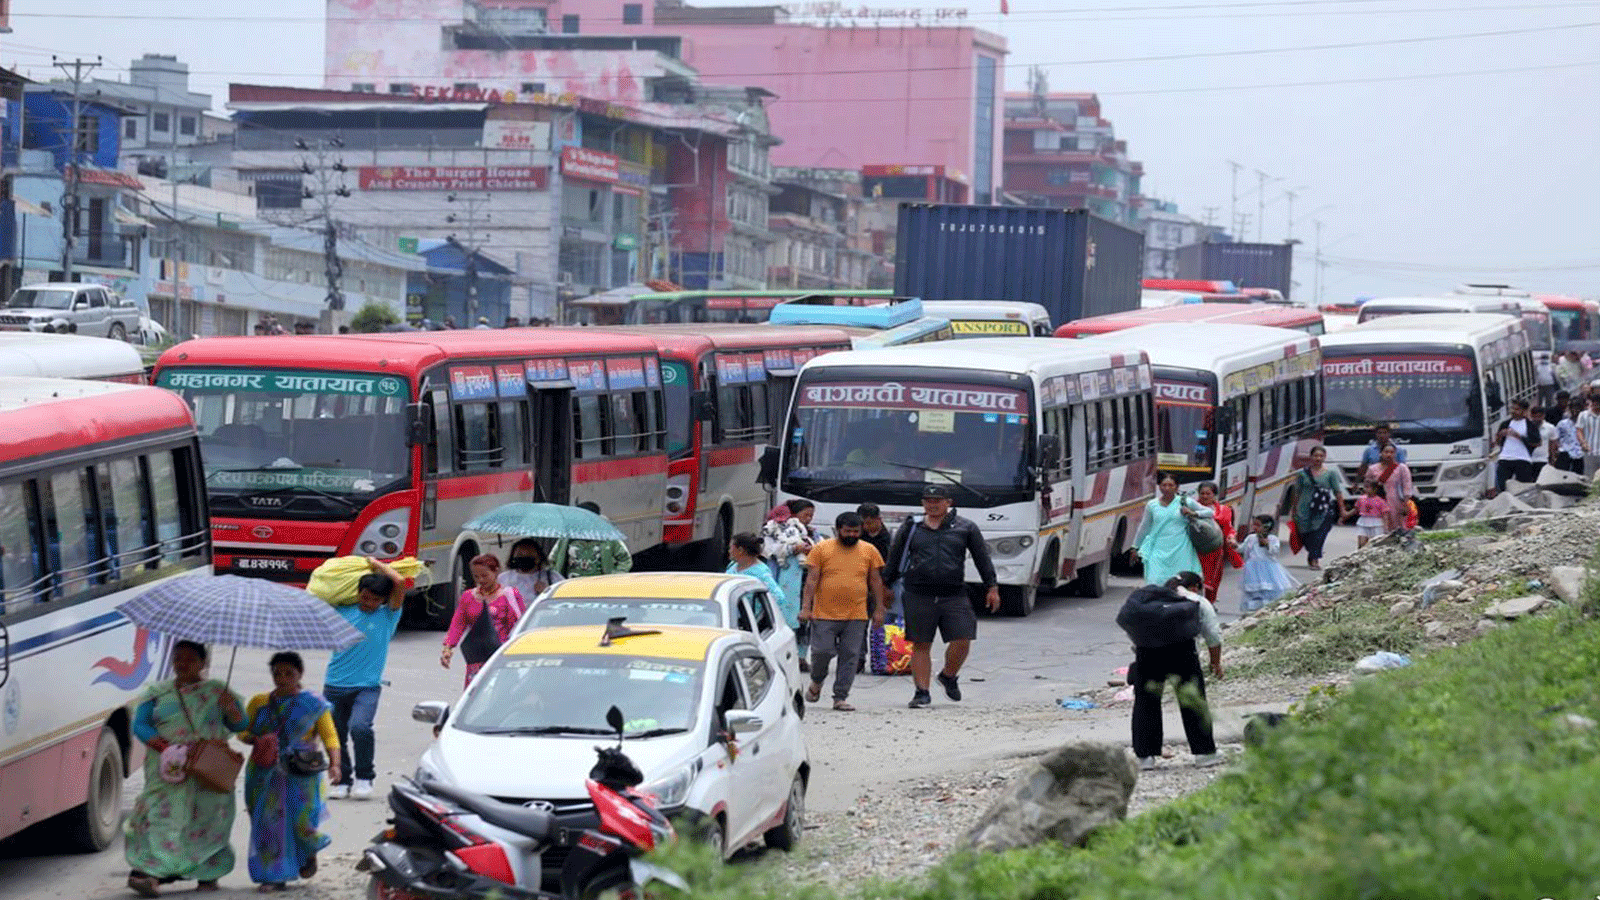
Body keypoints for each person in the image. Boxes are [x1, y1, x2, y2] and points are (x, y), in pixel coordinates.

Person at [125, 640, 247, 897]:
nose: (183, 664)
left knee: (208, 819)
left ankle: (208, 872)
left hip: (208, 768)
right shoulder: (157, 692)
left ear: (203, 663)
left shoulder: (217, 691)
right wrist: (167, 748)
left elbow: (240, 725)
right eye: (178, 658)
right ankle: (152, 872)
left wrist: (230, 707)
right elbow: (141, 725)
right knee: (158, 815)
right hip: (168, 768)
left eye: (190, 659)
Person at [884, 485, 999, 709]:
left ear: (949, 502)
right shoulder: (912, 527)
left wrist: (992, 587)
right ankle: (922, 692)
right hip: (918, 593)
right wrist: (886, 586)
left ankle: (948, 675)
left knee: (963, 639)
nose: (932, 505)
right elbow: (895, 557)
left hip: (954, 593)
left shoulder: (966, 527)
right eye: (928, 500)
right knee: (920, 644)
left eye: (937, 500)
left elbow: (982, 559)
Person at [239, 651, 339, 892]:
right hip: (264, 771)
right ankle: (274, 875)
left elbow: (330, 735)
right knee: (268, 823)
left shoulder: (313, 704)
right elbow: (242, 731)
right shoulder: (259, 702)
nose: (282, 678)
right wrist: (258, 739)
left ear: (300, 674)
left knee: (301, 822)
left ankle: (307, 852)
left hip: (300, 773)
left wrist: (336, 764)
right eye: (277, 673)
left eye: (288, 673)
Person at [1115, 572, 1221, 769]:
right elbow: (1213, 635)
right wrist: (1216, 663)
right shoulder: (1196, 601)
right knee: (1193, 701)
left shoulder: (1147, 603)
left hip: (1147, 654)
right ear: (1195, 587)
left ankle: (1144, 757)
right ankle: (1204, 753)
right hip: (1183, 653)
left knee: (1146, 703)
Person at [325, 557, 408, 800]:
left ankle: (364, 777)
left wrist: (374, 563)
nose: (369, 602)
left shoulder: (387, 616)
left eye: (375, 599)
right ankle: (342, 780)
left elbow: (400, 582)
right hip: (334, 683)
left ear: (383, 600)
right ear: (358, 592)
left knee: (360, 728)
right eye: (365, 596)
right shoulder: (342, 611)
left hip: (367, 687)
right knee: (335, 734)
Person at [800, 511, 886, 711]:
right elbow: (811, 580)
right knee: (821, 652)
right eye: (847, 531)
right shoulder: (821, 549)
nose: (852, 535)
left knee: (850, 656)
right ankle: (817, 681)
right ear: (838, 530)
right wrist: (806, 607)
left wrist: (879, 609)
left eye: (856, 531)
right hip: (824, 614)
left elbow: (875, 581)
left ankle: (840, 696)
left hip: (856, 614)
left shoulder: (869, 550)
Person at [442, 554, 527, 688]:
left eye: (485, 575)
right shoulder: (468, 597)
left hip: (502, 654)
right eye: (476, 576)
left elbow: (522, 624)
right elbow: (458, 624)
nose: (480, 580)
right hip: (477, 657)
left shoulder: (510, 595)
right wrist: (448, 648)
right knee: (476, 695)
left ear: (496, 571)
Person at [1130, 472, 1215, 589]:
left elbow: (1210, 512)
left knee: (1180, 585)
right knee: (1155, 583)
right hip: (1158, 550)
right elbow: (1144, 527)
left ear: (1177, 487)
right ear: (1159, 486)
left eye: (1171, 485)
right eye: (1164, 485)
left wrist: (1193, 513)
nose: (1167, 488)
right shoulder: (1152, 505)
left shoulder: (1185, 502)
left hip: (1180, 549)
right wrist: (1135, 547)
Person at [762, 499, 817, 663]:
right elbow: (767, 550)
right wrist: (792, 549)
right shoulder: (774, 530)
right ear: (793, 514)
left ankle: (800, 657)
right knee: (782, 616)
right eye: (806, 515)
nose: (809, 519)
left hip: (805, 581)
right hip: (782, 579)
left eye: (811, 516)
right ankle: (780, 655)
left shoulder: (812, 533)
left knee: (804, 619)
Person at [1278, 446, 1349, 570]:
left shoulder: (1330, 474)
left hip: (1323, 509)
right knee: (1305, 533)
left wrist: (1342, 509)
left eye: (1321, 456)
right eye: (1316, 455)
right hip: (1303, 509)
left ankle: (1315, 558)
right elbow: (1297, 492)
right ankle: (1312, 553)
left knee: (1319, 534)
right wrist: (1293, 509)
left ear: (1324, 457)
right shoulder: (1302, 474)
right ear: (1311, 457)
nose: (1318, 458)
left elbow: (1337, 492)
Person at [551, 502, 634, 578]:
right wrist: (556, 578)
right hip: (571, 585)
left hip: (598, 588)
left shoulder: (608, 537)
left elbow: (625, 559)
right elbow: (552, 560)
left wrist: (614, 576)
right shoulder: (567, 538)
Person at [1240, 518, 1298, 612]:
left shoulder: (1273, 539)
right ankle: (1254, 608)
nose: (1254, 527)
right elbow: (1242, 548)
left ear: (1266, 527)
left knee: (1267, 588)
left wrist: (1267, 544)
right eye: (1253, 524)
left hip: (1268, 568)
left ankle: (1266, 608)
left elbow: (1274, 551)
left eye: (1257, 525)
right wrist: (1234, 546)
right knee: (1254, 589)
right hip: (1252, 569)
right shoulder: (1250, 538)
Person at [1193, 481, 1236, 604]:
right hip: (1194, 549)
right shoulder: (1191, 508)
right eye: (1202, 493)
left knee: (1214, 577)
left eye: (1208, 493)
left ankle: (1209, 602)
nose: (1205, 496)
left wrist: (1231, 538)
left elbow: (1229, 528)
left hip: (1215, 550)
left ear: (1214, 495)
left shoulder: (1224, 510)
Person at [1493, 399, 1539, 493]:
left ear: (1524, 411)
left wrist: (1518, 436)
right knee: (1502, 486)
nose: (1513, 411)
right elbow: (1498, 442)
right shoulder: (1505, 424)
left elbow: (1537, 442)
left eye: (1517, 409)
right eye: (1512, 409)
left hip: (1522, 458)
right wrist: (1500, 436)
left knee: (1524, 488)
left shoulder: (1530, 425)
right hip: (1505, 458)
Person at [1368, 443, 1415, 534]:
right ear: (1381, 453)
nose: (1389, 454)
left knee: (1398, 527)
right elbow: (1367, 485)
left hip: (1396, 501)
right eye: (1386, 452)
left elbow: (1407, 486)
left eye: (1392, 452)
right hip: (1378, 501)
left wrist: (1405, 504)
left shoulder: (1402, 468)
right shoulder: (1372, 469)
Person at [725, 531, 785, 602]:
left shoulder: (761, 573)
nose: (729, 551)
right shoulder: (732, 566)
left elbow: (778, 597)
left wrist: (761, 612)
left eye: (731, 548)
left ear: (740, 550)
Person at [499, 538, 564, 601]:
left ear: (538, 558)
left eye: (529, 555)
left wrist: (549, 592)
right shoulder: (503, 578)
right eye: (520, 554)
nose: (524, 558)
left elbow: (565, 599)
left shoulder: (553, 577)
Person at [1352, 480, 1388, 548]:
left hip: (1376, 522)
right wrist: (1345, 516)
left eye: (1368, 487)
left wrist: (1386, 527)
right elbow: (1356, 509)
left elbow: (1384, 514)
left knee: (1376, 544)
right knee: (1361, 544)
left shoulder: (1380, 501)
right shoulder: (1361, 499)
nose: (1366, 489)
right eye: (1365, 487)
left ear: (1375, 489)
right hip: (1363, 521)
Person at [1526, 404, 1559, 478]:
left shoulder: (1550, 427)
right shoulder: (1526, 427)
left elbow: (1553, 444)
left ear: (1543, 416)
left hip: (1543, 460)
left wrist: (1552, 459)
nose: (1537, 419)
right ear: (1531, 416)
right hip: (1528, 460)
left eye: (1539, 416)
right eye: (1535, 417)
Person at [1556, 397, 1588, 474]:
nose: (1575, 411)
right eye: (1572, 408)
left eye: (1577, 408)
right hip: (1565, 455)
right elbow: (1556, 439)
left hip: (1582, 455)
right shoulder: (1562, 424)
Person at [1577, 393, 1600, 478]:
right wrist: (1583, 443)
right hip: (1589, 451)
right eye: (1595, 403)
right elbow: (1579, 430)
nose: (1596, 406)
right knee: (1589, 476)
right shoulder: (1583, 415)